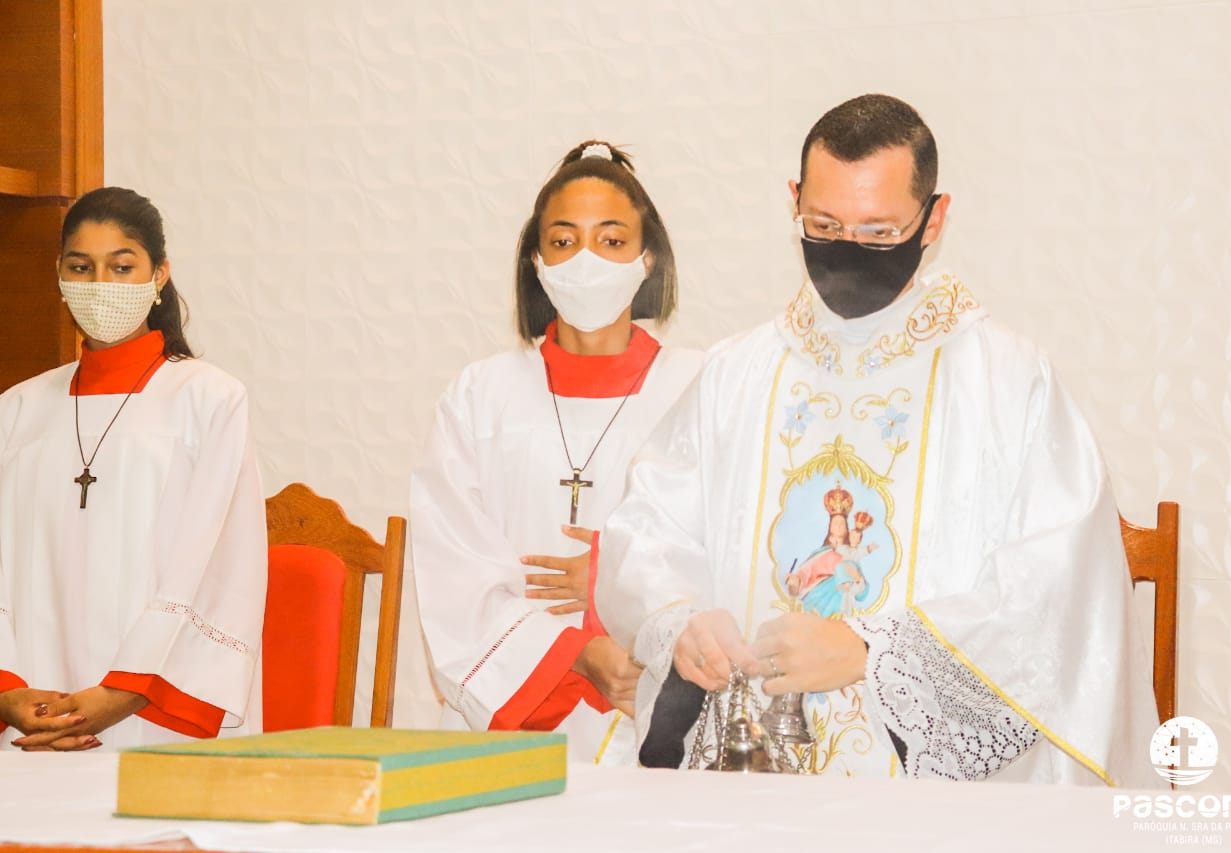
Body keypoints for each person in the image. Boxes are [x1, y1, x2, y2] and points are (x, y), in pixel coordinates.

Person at [596, 95, 1157, 783]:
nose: (848, 251)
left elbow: (1058, 595)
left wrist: (873, 652)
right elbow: (648, 531)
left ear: (934, 220)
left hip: (931, 808)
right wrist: (681, 620)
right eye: (824, 225)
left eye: (879, 232)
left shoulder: (1008, 383)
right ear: (794, 201)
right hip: (749, 780)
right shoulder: (735, 374)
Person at [410, 141, 702, 763]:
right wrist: (577, 653)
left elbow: (737, 549)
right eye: (564, 241)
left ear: (648, 259)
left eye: (612, 240)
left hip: (649, 705)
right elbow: (451, 569)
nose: (586, 260)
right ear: (537, 262)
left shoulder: (700, 388)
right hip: (511, 728)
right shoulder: (480, 396)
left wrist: (613, 582)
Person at [0, 187, 267, 751]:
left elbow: (221, 568)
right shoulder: (17, 409)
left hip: (149, 709)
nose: (101, 284)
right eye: (81, 267)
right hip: (31, 712)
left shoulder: (208, 400)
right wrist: (10, 694)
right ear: (59, 275)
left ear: (159, 274)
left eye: (121, 267)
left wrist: (122, 694)